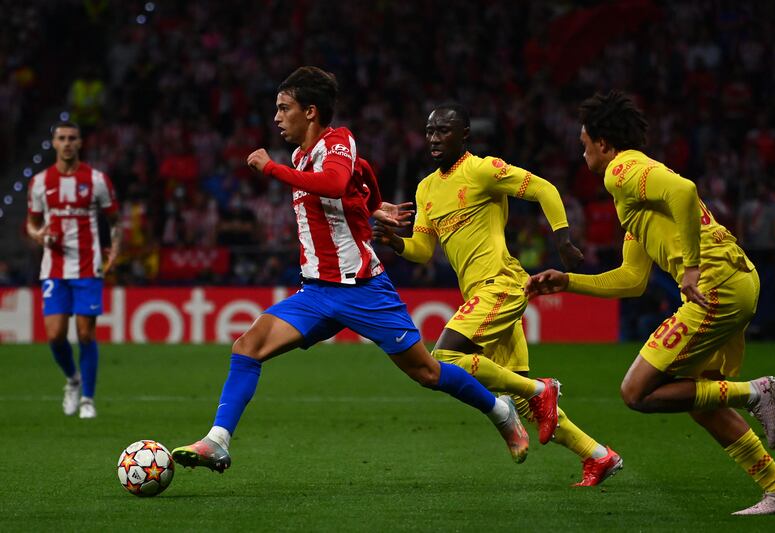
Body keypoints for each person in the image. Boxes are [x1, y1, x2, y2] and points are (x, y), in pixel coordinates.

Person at [171, 66, 555, 472]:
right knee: (247, 347)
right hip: (316, 292)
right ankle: (217, 441)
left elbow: (337, 183)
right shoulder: (302, 156)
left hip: (363, 289)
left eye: (285, 108)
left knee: (426, 372)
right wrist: (372, 205)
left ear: (312, 111)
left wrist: (271, 168)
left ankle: (500, 410)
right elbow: (357, 183)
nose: (277, 118)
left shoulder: (338, 141)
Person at [526, 90, 775, 515]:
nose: (582, 155)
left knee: (636, 392)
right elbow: (632, 280)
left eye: (583, 145)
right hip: (736, 279)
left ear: (603, 143)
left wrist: (690, 267)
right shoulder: (634, 194)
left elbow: (685, 190)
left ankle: (755, 391)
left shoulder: (623, 168)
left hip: (715, 285)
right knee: (701, 398)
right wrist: (568, 282)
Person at [374, 103, 622, 487]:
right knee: (523, 404)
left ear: (465, 135)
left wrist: (563, 239)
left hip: (501, 285)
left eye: (444, 130)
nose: (435, 138)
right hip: (481, 294)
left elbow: (544, 188)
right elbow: (423, 250)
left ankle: (543, 389)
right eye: (430, 131)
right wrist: (395, 243)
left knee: (444, 356)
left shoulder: (483, 170)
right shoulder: (426, 188)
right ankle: (597, 455)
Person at [26, 121, 121, 419]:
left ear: (80, 143)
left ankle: (88, 399)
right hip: (53, 266)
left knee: (85, 334)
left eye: (72, 138)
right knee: (54, 335)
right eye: (61, 138)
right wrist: (38, 235)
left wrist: (114, 248)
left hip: (87, 265)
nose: (67, 143)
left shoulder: (97, 180)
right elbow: (32, 221)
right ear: (54, 143)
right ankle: (72, 379)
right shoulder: (40, 182)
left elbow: (115, 221)